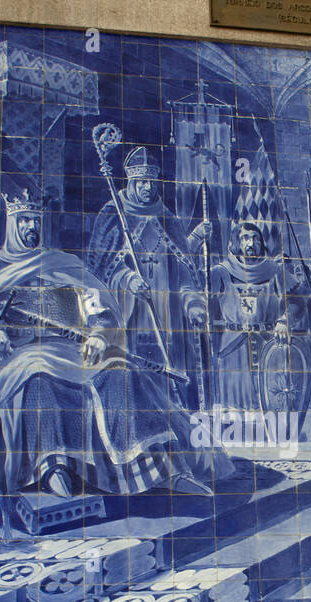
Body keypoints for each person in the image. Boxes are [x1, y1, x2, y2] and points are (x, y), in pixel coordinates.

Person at [0, 185, 227, 498]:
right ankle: (55, 468)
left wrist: (98, 335)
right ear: (11, 225)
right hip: (24, 357)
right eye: (24, 220)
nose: (31, 227)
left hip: (75, 351)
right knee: (40, 381)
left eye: (35, 220)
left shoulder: (60, 264)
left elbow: (100, 308)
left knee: (122, 375)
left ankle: (163, 470)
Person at [87, 146, 210, 408]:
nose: (147, 187)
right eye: (141, 181)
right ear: (131, 181)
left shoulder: (168, 220)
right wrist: (127, 279)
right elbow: (97, 274)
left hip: (167, 324)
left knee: (169, 394)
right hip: (128, 322)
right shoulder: (113, 215)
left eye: (152, 182)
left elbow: (185, 275)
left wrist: (194, 304)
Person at [204, 221, 288, 414]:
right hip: (233, 347)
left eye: (255, 238)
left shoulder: (275, 271)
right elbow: (203, 297)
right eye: (245, 238)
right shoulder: (221, 272)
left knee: (270, 406)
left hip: (268, 344)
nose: (251, 243)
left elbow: (297, 301)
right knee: (235, 409)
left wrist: (283, 320)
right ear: (235, 243)